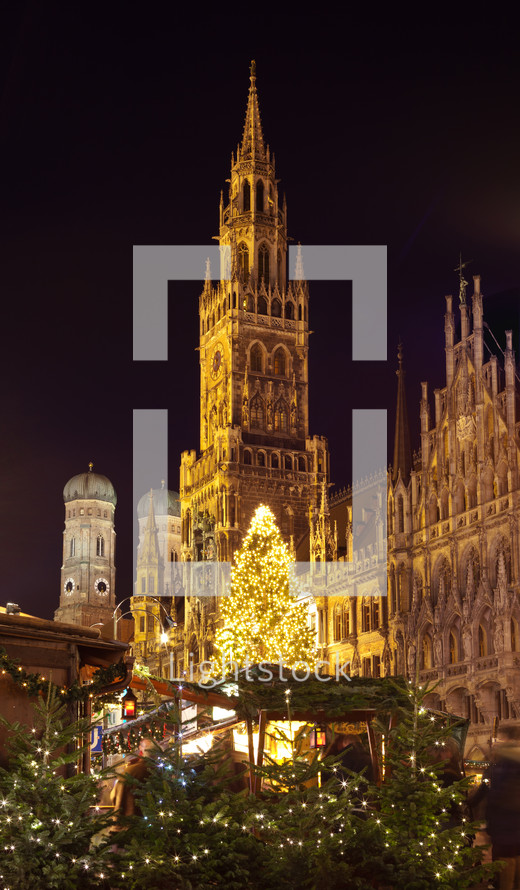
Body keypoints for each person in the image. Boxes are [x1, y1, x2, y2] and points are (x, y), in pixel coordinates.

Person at [470, 727, 520, 890]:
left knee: (504, 862)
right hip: (512, 823)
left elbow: (494, 795)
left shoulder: (502, 764)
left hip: (505, 823)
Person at [110, 736, 156, 821]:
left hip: (123, 823)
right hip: (148, 824)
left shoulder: (129, 770)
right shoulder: (158, 771)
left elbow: (113, 796)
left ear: (142, 750)